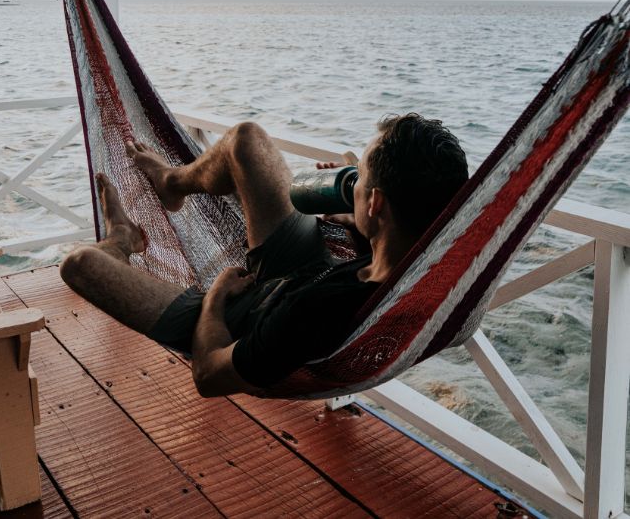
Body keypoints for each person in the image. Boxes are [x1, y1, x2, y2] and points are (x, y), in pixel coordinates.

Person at [59, 114, 468, 397]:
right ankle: (171, 182)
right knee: (245, 140)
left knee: (80, 264)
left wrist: (216, 299)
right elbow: (378, 269)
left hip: (247, 316)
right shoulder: (425, 259)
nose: (351, 182)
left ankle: (122, 240)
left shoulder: (312, 312)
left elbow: (209, 376)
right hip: (309, 272)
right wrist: (355, 224)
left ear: (377, 204)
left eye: (358, 177)